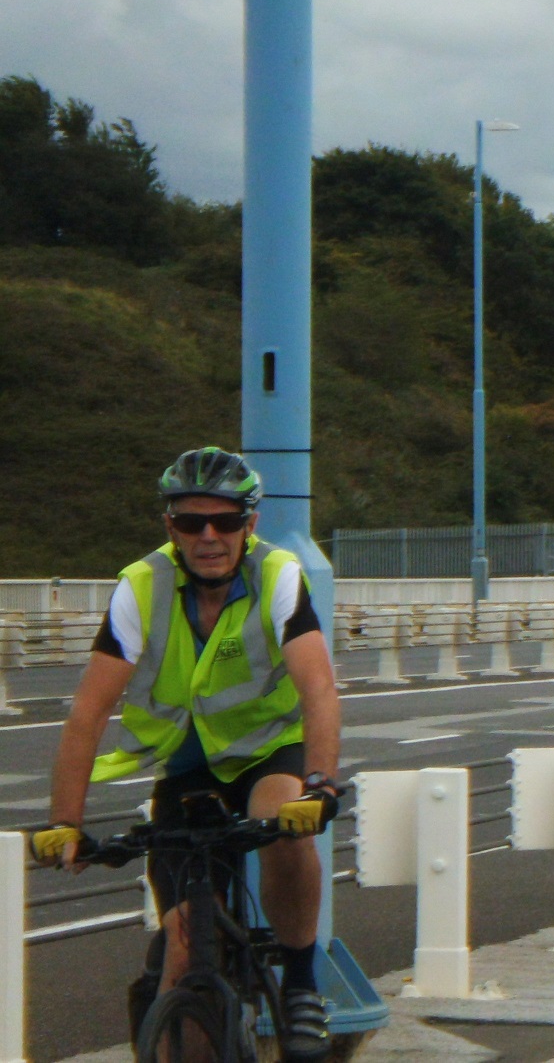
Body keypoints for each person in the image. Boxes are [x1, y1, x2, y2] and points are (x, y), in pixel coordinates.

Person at [33, 449, 342, 1060]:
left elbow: (318, 688)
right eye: (190, 521)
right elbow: (87, 714)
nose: (208, 536)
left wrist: (321, 787)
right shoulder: (141, 587)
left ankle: (302, 980)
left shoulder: (277, 575)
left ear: (249, 525)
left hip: (266, 752)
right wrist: (65, 823)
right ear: (169, 526)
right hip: (186, 767)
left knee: (286, 822)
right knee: (182, 947)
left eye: (225, 522)